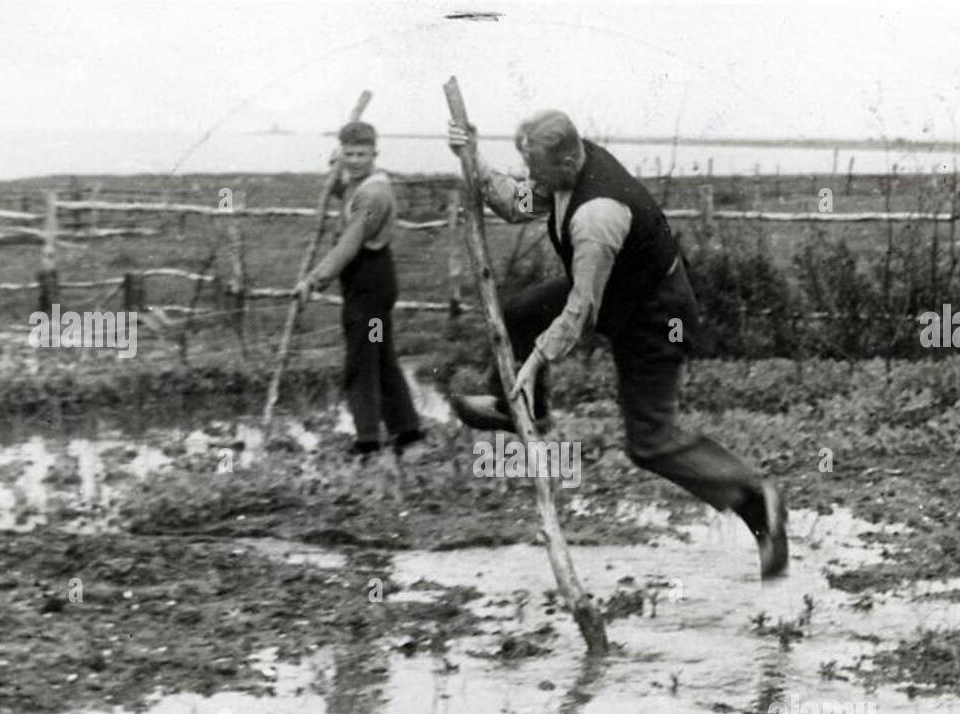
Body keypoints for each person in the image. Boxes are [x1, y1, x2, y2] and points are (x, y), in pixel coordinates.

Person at [447, 110, 789, 579]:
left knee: (650, 442)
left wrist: (536, 360)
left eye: (539, 170)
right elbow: (518, 202)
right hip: (621, 297)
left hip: (653, 317)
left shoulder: (597, 214)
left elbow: (581, 309)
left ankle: (753, 496)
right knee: (520, 313)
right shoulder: (565, 169)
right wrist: (474, 156)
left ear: (568, 159)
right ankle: (525, 410)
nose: (533, 180)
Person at [301, 120, 423, 457]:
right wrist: (335, 176)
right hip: (369, 284)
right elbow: (346, 191)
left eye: (361, 154)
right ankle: (407, 431)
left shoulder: (372, 194)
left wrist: (315, 278)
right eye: (348, 153)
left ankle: (367, 439)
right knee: (380, 355)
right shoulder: (362, 183)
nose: (354, 159)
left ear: (374, 153)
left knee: (362, 360)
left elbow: (349, 244)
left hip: (369, 287)